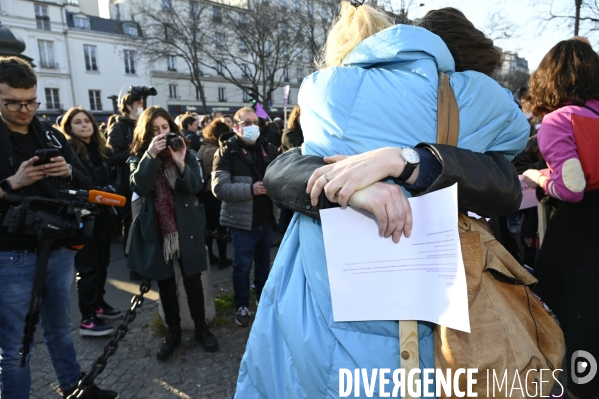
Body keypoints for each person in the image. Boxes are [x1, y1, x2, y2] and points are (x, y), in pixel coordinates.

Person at [234, 5, 529, 398]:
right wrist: (406, 164)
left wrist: (386, 168)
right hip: (432, 308)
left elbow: (284, 165)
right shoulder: (474, 95)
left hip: (321, 304)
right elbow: (512, 160)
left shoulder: (322, 89)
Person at [0, 57, 117, 398]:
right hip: (10, 256)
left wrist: (66, 171)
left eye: (31, 101)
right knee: (15, 347)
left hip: (58, 246)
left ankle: (74, 387)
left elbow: (87, 181)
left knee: (60, 328)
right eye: (13, 103)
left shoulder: (51, 133)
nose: (25, 110)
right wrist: (11, 183)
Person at [521, 39, 599, 399]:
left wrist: (539, 179)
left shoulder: (558, 120)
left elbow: (572, 187)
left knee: (562, 319)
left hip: (577, 232)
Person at [127, 106, 218, 360]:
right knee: (165, 285)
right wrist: (150, 156)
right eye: (155, 130)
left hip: (186, 226)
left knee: (193, 281)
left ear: (171, 127)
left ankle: (201, 328)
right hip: (158, 229)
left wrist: (179, 163)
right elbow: (139, 186)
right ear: (146, 133)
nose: (161, 134)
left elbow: (195, 187)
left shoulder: (184, 151)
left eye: (165, 128)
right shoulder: (139, 155)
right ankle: (174, 333)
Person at [212, 106, 280, 326]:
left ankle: (261, 296)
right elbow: (219, 188)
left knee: (263, 262)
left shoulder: (269, 149)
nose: (253, 126)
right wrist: (253, 189)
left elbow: (280, 178)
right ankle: (241, 304)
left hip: (267, 218)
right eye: (247, 123)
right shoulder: (226, 152)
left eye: (255, 122)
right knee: (242, 266)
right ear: (236, 127)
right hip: (242, 222)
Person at [60, 108, 122, 337]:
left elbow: (109, 178)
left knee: (102, 264)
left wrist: (109, 189)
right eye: (78, 122)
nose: (84, 125)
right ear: (69, 127)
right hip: (81, 218)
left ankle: (99, 303)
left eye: (87, 121)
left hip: (103, 215)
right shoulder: (68, 152)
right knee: (88, 269)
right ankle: (87, 319)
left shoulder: (100, 150)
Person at [107, 91, 142, 280]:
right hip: (128, 184)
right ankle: (133, 264)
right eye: (138, 102)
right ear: (128, 106)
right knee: (130, 224)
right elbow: (112, 156)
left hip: (145, 181)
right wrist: (136, 150)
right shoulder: (119, 127)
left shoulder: (143, 123)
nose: (142, 105)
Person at [199, 119, 232, 268]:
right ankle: (222, 258)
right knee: (220, 227)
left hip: (206, 193)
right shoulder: (214, 150)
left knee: (209, 226)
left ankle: (210, 256)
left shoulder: (204, 146)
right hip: (214, 192)